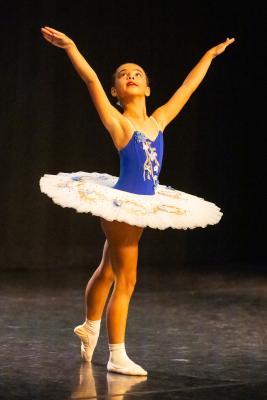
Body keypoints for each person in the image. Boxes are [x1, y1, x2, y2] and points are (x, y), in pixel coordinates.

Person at [39, 26, 235, 376]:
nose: (130, 76)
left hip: (145, 204)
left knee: (109, 270)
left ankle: (89, 326)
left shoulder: (159, 120)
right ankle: (117, 355)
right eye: (123, 75)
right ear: (116, 91)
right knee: (127, 281)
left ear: (147, 88)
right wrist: (70, 46)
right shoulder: (119, 123)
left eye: (137, 74)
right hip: (122, 208)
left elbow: (188, 87)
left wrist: (209, 55)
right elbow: (90, 81)